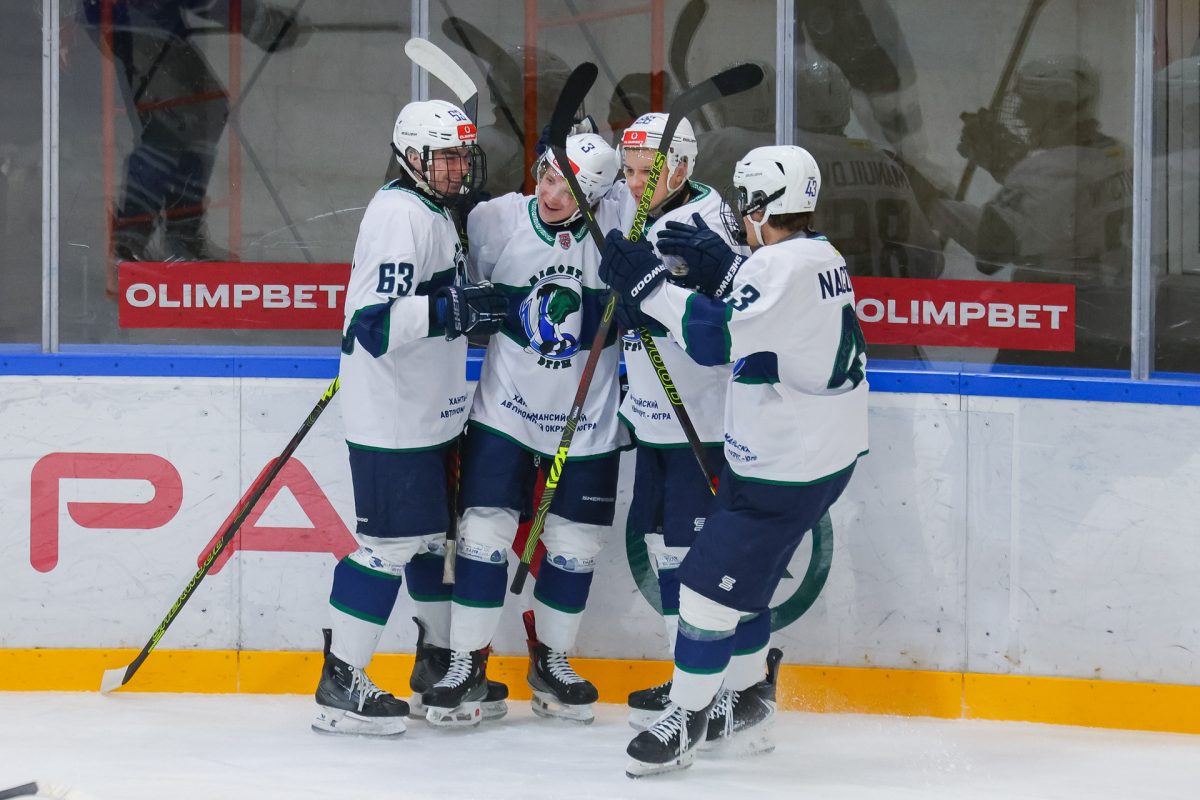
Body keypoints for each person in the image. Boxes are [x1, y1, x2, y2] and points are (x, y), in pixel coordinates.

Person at [598, 145, 868, 777]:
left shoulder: (780, 268)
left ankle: (687, 718)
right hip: (815, 453)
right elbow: (770, 317)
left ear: (758, 205)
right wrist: (726, 273)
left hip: (784, 465)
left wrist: (649, 288)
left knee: (702, 595)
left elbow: (714, 338)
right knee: (744, 586)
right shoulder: (822, 256)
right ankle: (748, 701)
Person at [419, 132, 630, 727]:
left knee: (575, 547)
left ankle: (552, 662)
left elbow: (649, 180)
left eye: (570, 188)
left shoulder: (618, 224)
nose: (552, 193)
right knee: (482, 535)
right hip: (505, 413)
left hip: (586, 421)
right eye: (548, 176)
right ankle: (466, 664)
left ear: (597, 195)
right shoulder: (497, 219)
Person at [311, 99, 507, 737]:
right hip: (393, 419)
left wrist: (458, 303)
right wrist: (451, 311)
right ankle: (341, 679)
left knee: (429, 541)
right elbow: (372, 325)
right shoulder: (399, 215)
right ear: (411, 156)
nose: (459, 168)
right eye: (446, 156)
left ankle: (434, 663)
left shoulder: (435, 209)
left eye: (463, 155)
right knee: (389, 546)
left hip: (430, 414)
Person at [611, 112, 748, 728]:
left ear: (685, 167)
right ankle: (685, 681)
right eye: (630, 171)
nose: (636, 183)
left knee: (700, 562)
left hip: (702, 419)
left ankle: (720, 690)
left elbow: (726, 320)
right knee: (667, 552)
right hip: (657, 420)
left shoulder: (701, 224)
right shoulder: (648, 207)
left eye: (650, 171)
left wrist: (652, 304)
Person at [79, 0, 307, 297]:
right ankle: (132, 236)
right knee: (174, 120)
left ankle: (178, 234)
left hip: (150, 21)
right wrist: (260, 24)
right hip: (132, 19)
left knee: (207, 110)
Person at [953, 54, 1133, 369]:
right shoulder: (1118, 153)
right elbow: (1063, 200)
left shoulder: (1044, 172)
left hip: (1054, 321)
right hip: (1113, 318)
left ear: (1061, 111)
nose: (1019, 112)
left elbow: (989, 256)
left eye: (1030, 104)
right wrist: (1009, 167)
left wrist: (927, 196)